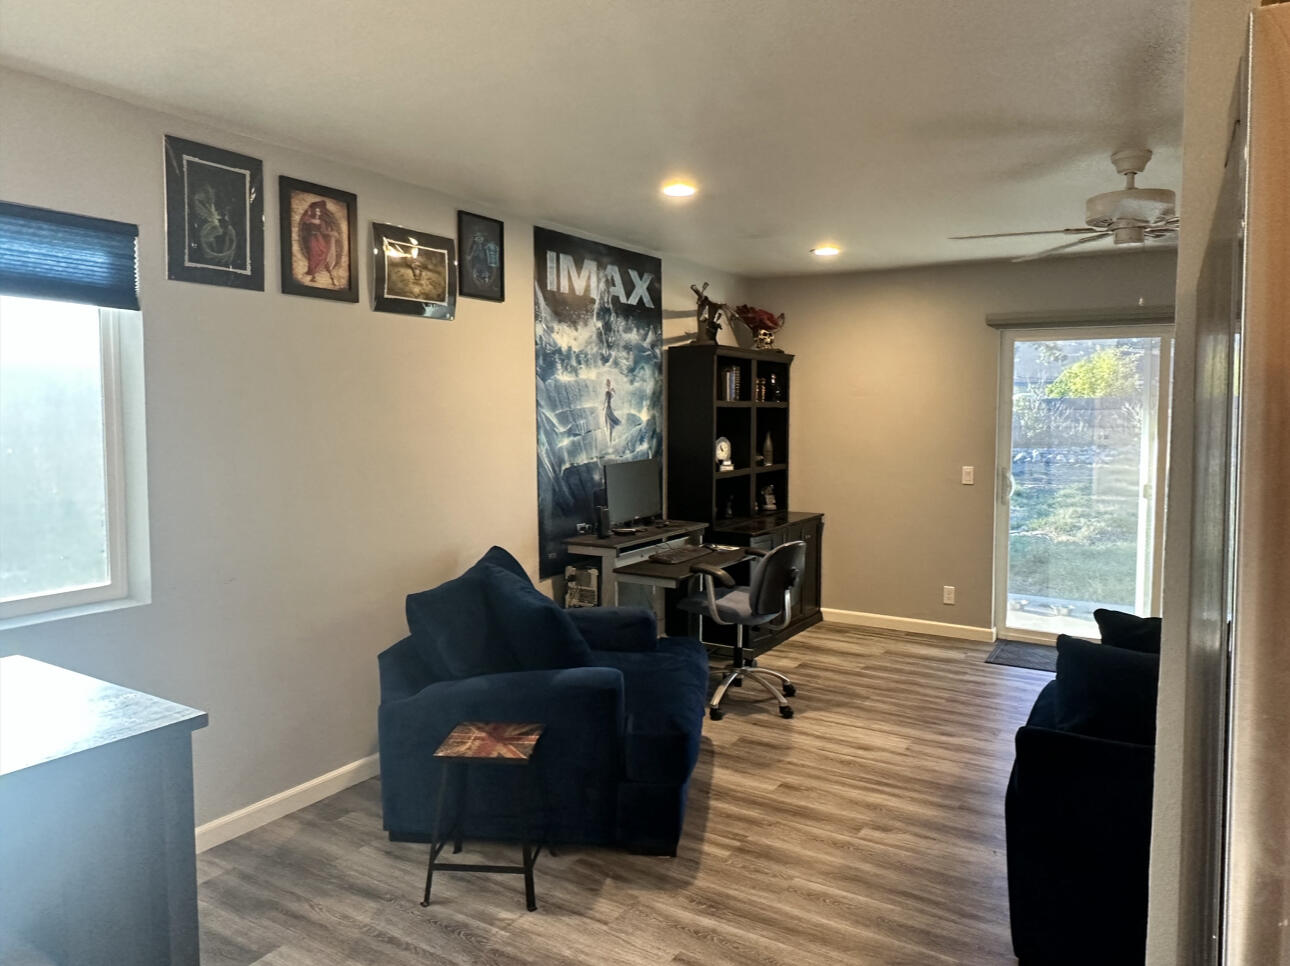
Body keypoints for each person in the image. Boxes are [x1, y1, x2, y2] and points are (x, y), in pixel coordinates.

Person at [298, 199, 343, 285]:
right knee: (313, 254)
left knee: (323, 254)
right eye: (316, 210)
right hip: (312, 238)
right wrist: (308, 211)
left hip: (319, 239)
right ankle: (312, 274)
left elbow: (324, 231)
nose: (317, 212)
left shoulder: (321, 221)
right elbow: (306, 220)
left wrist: (332, 233)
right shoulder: (309, 219)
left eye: (319, 211)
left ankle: (324, 275)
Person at [604, 378, 621, 443]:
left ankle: (611, 440)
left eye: (608, 383)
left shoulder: (610, 390)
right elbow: (605, 400)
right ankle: (610, 440)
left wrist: (612, 392)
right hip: (607, 407)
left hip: (609, 407)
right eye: (607, 383)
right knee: (608, 423)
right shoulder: (608, 391)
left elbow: (611, 398)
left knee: (610, 423)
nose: (607, 384)